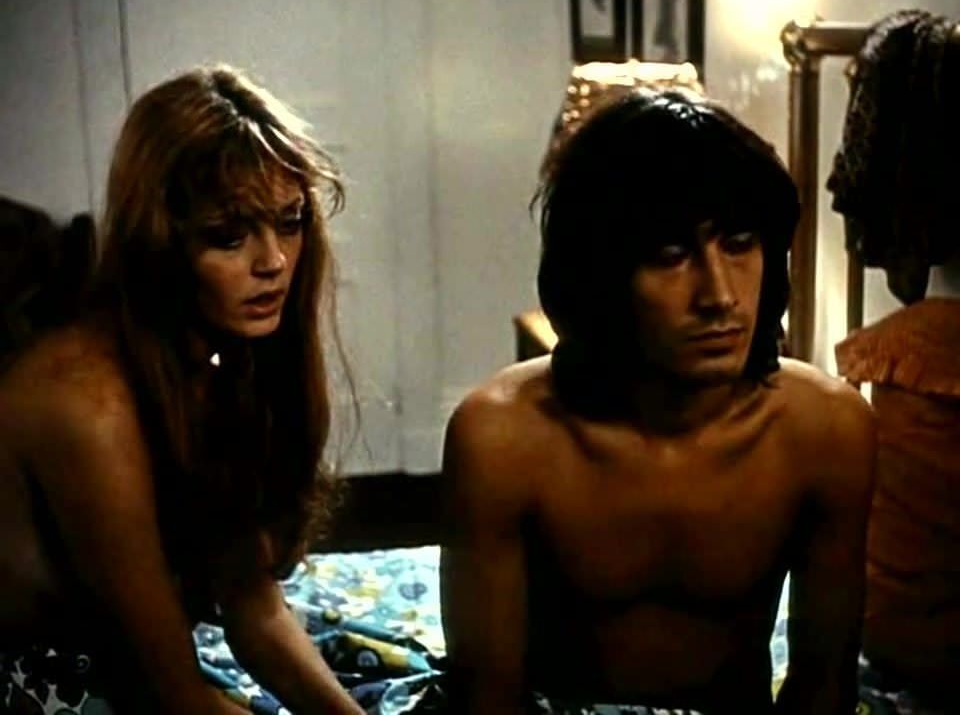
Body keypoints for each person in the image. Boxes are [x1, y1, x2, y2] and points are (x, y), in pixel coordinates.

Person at [440, 91, 877, 714]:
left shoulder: (828, 429)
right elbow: (486, 698)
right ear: (601, 277)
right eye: (671, 257)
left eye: (739, 244)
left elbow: (824, 686)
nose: (719, 296)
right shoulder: (502, 439)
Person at [0, 65, 364, 714]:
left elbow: (254, 607)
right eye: (229, 236)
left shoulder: (218, 363)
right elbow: (170, 697)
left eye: (290, 221)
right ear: (160, 243)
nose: (274, 262)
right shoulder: (88, 407)